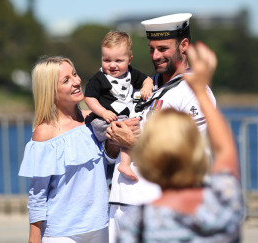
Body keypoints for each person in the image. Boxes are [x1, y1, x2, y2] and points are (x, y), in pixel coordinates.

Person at [117, 42, 244, 242]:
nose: (155, 56)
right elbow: (226, 152)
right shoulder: (223, 207)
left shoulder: (136, 224)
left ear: (150, 160)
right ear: (196, 151)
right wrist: (201, 90)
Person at [106, 13, 216, 242]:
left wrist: (133, 143)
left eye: (163, 49)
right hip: (118, 205)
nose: (156, 56)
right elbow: (111, 151)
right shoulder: (141, 85)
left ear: (184, 45)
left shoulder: (195, 92)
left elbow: (190, 159)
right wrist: (113, 140)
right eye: (151, 49)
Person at [18, 56, 138, 243]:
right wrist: (34, 238)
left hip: (101, 226)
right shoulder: (45, 133)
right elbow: (37, 194)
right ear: (51, 90)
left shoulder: (94, 121)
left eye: (74, 74)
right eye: (66, 80)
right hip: (62, 233)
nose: (76, 81)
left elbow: (107, 165)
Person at [85, 31, 153, 181]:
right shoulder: (99, 78)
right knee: (128, 129)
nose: (113, 65)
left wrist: (147, 87)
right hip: (103, 123)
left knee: (132, 126)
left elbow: (147, 79)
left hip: (121, 119)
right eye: (107, 60)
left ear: (129, 59)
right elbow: (89, 97)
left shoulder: (131, 74)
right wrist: (103, 112)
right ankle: (125, 164)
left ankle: (121, 165)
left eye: (119, 60)